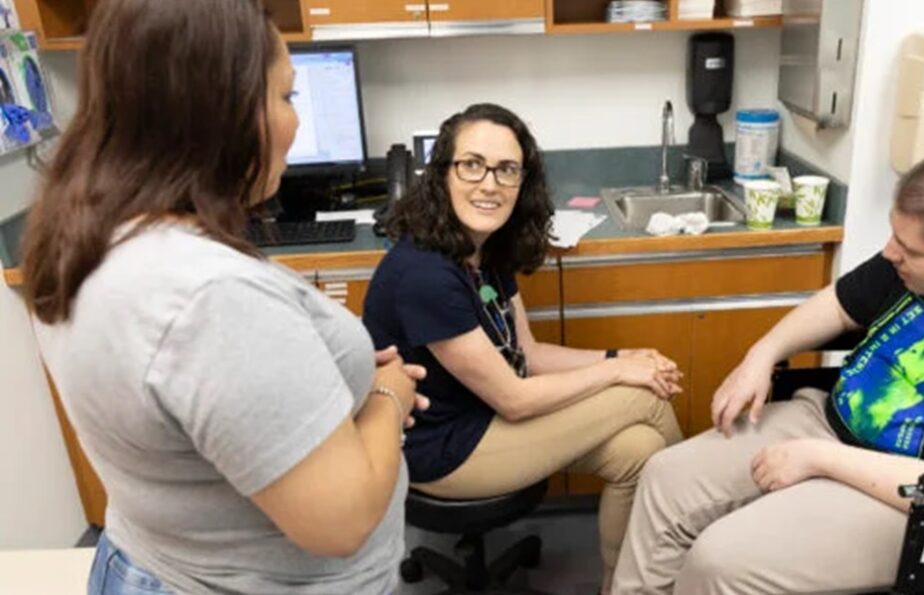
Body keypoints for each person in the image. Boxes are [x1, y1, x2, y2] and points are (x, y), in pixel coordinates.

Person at [20, 1, 427, 593]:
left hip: (155, 559)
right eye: (286, 98)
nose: (295, 124)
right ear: (220, 112)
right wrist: (388, 396)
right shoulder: (209, 297)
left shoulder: (87, 236)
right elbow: (342, 520)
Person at [612, 146, 924, 594]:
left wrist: (820, 459)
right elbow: (841, 306)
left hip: (918, 501)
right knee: (665, 477)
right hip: (830, 423)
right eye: (893, 236)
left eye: (909, 250)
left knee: (722, 560)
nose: (889, 254)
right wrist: (761, 354)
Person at [363, 103, 684, 593]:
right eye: (472, 164)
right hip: (443, 451)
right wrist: (622, 375)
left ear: (522, 181)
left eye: (506, 169)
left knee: (638, 450)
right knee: (645, 397)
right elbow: (513, 396)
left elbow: (527, 356)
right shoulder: (424, 274)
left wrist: (621, 358)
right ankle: (693, 537)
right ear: (442, 173)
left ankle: (626, 587)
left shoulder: (484, 251)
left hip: (484, 418)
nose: (489, 183)